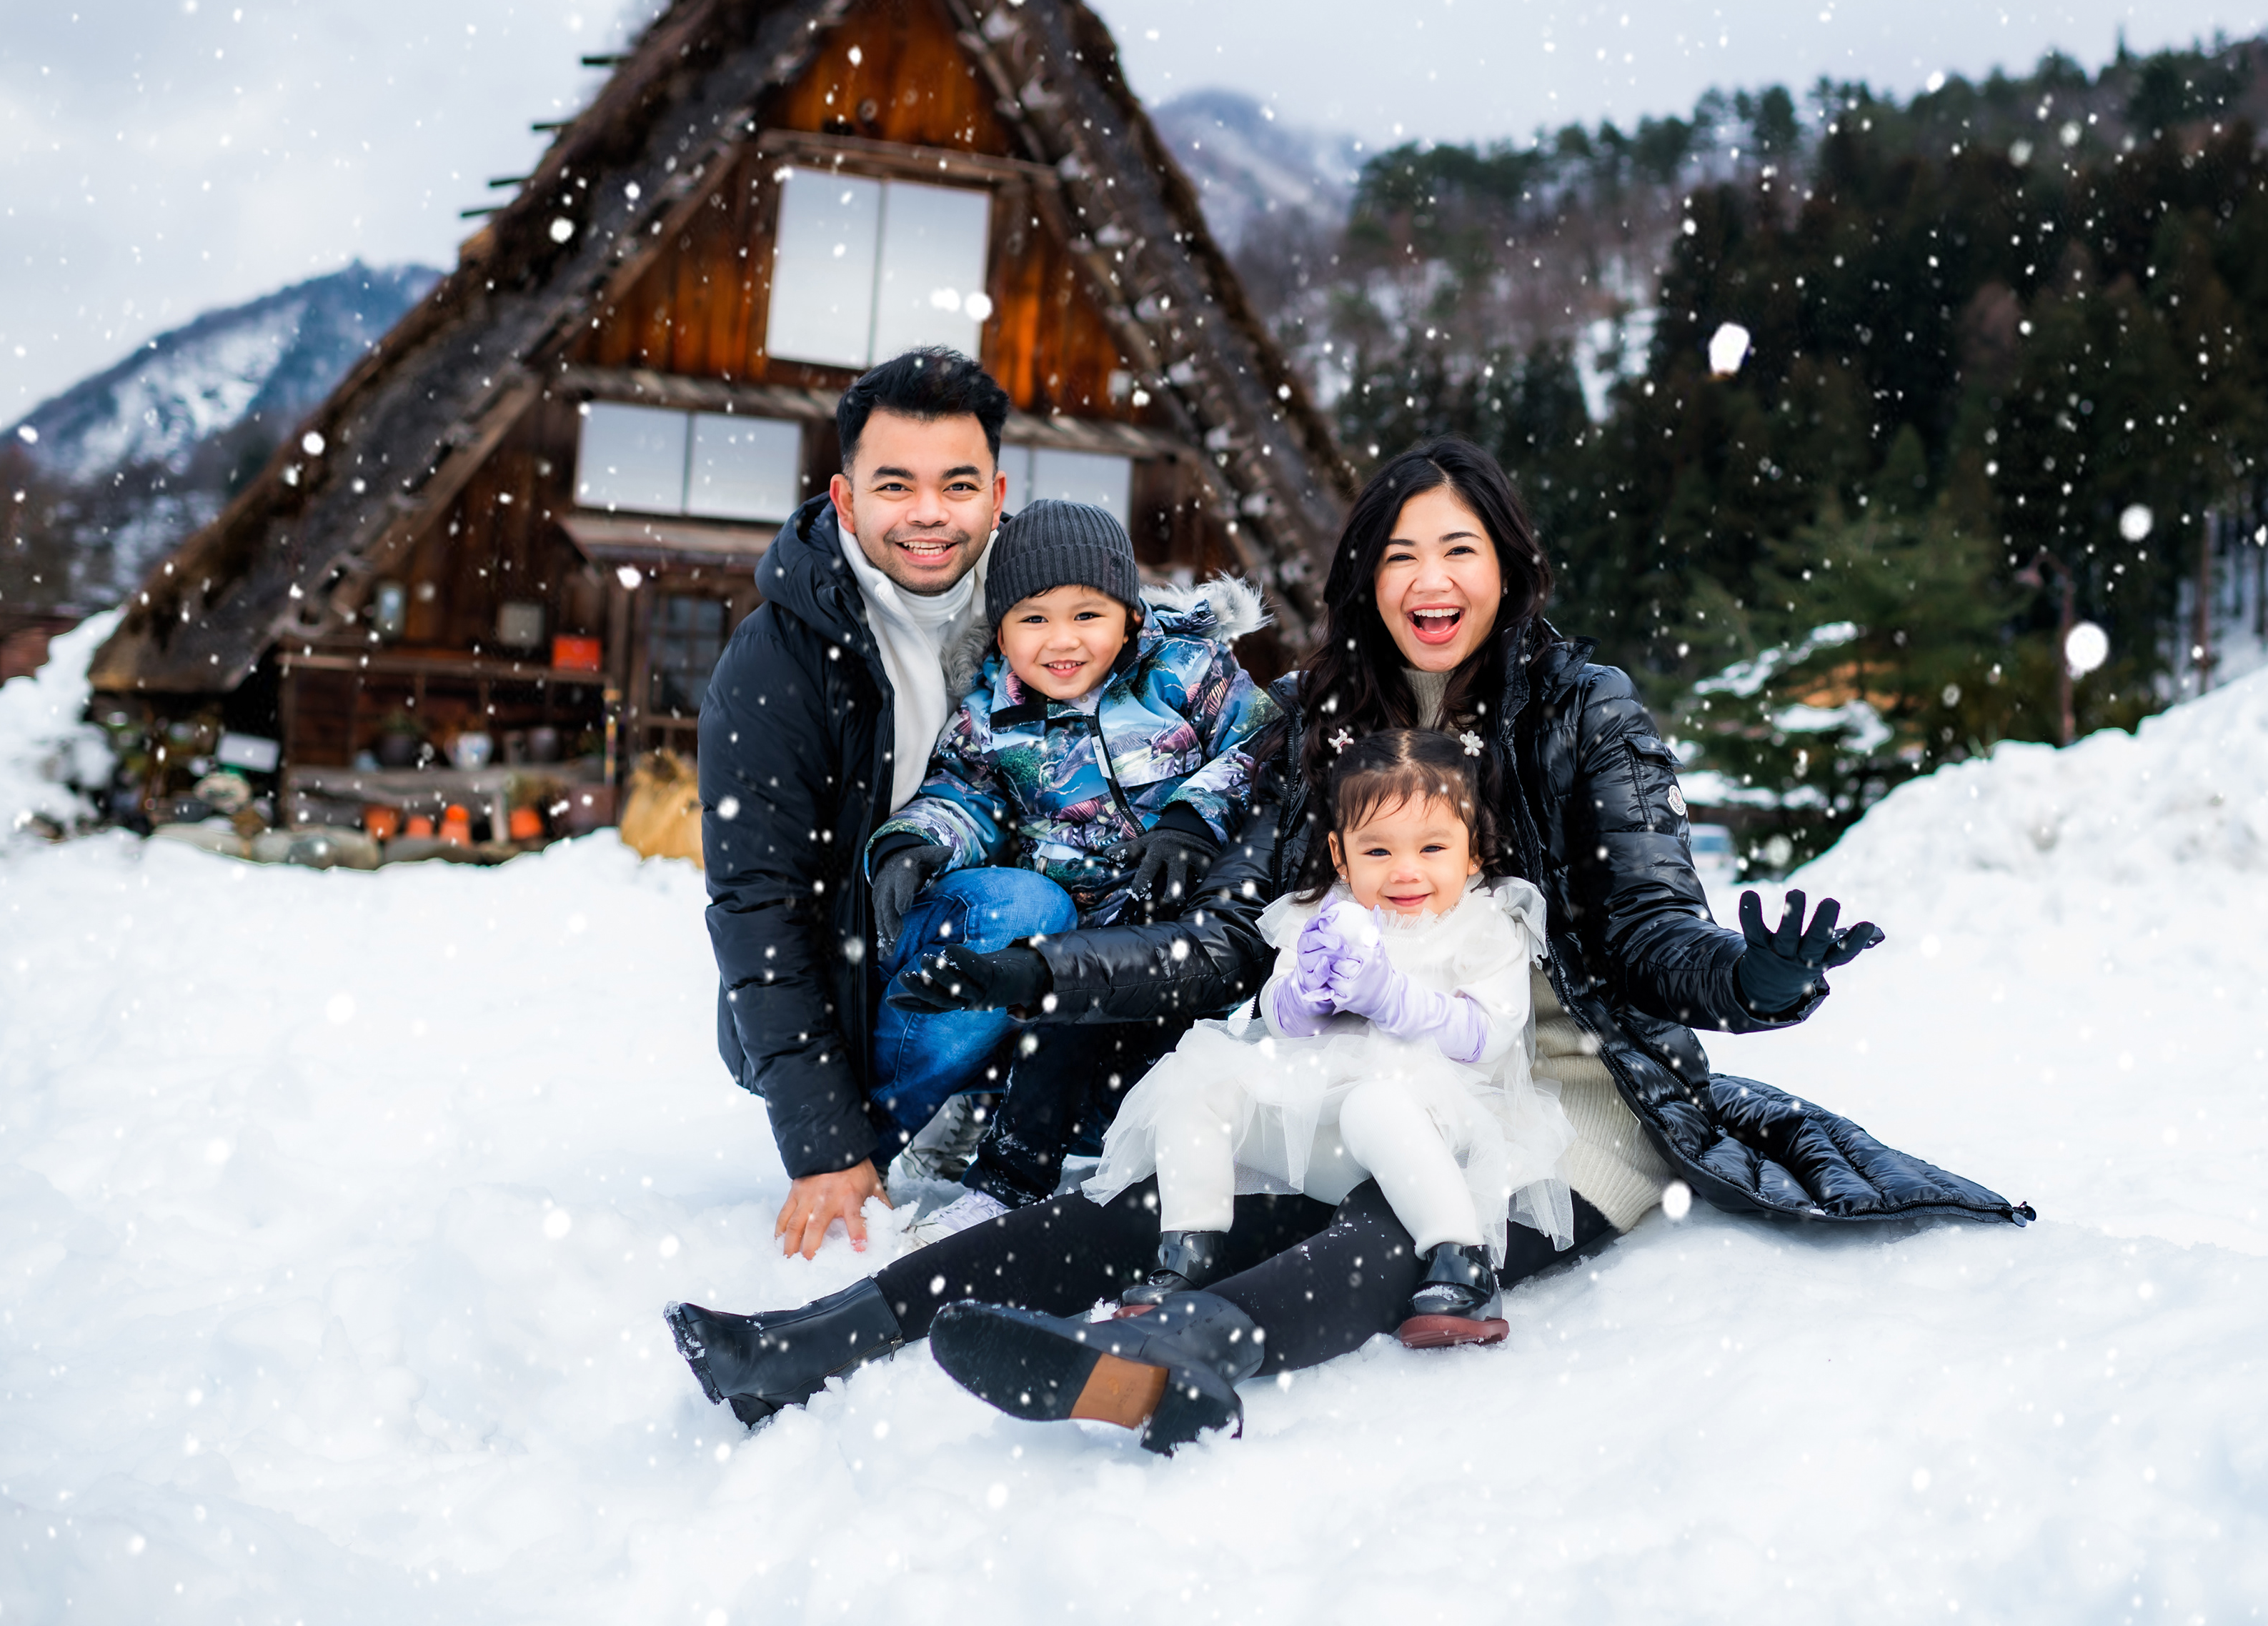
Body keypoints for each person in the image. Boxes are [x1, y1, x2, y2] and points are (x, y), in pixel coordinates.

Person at [670, 437, 2030, 1446]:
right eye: (1400, 556)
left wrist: (1748, 980)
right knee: (1160, 1194)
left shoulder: (1584, 710)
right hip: (1360, 1048)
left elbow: (1650, 935)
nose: (1430, 582)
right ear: (1365, 579)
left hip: (1557, 1088)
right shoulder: (1323, 723)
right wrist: (1041, 977)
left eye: (1459, 551)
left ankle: (1185, 1356)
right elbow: (1223, 941)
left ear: (1508, 565)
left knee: (1409, 1210)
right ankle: (821, 1340)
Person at [699, 347, 1171, 1265]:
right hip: (857, 975)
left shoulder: (1054, 601)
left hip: (1055, 981)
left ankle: (1020, 1110)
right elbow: (759, 903)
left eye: (956, 485)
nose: (928, 514)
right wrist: (828, 1142)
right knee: (1019, 906)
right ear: (845, 500)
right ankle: (889, 1132)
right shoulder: (775, 664)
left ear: (997, 494)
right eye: (895, 485)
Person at [861, 495, 1279, 1230]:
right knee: (1063, 1018)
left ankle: (1168, 1161)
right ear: (1000, 630)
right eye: (1034, 619)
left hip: (1187, 922)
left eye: (1088, 614)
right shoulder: (991, 716)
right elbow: (962, 794)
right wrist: (916, 839)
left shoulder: (1189, 671)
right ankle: (1007, 1176)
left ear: (1131, 618)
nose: (1062, 641)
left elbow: (1261, 746)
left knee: (1171, 1065)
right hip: (1077, 938)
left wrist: (1191, 818)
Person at [1087, 729, 1571, 1342]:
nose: (1405, 871)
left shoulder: (1486, 922)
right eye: (1378, 851)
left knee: (1377, 1103)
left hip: (1433, 1136)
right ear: (1342, 856)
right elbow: (1276, 1015)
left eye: (1432, 848)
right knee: (1197, 1082)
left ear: (1473, 851)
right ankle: (1191, 1249)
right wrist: (1305, 995)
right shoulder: (1323, 914)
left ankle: (1461, 1258)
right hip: (1317, 1134)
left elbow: (1487, 1035)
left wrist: (1391, 998)